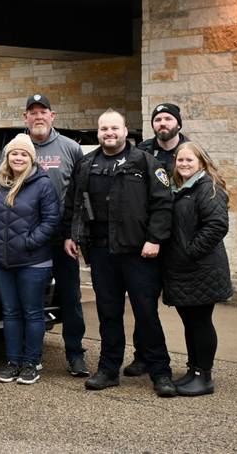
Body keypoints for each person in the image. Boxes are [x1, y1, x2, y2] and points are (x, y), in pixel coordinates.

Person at [63, 109, 177, 397]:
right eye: (104, 129)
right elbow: (74, 203)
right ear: (98, 133)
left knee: (146, 314)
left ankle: (160, 372)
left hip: (139, 253)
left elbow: (163, 204)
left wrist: (154, 239)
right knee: (108, 314)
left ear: (126, 131)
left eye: (114, 128)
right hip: (102, 253)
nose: (109, 133)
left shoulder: (145, 162)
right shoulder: (87, 164)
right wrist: (71, 235)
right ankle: (108, 370)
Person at [0, 134, 60, 385]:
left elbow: (51, 221)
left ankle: (31, 363)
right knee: (10, 313)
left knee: (32, 312)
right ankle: (13, 361)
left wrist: (28, 242)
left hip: (33, 261)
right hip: (3, 262)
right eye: (14, 153)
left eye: (23, 154)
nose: (18, 157)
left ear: (31, 158)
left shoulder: (42, 184)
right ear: (7, 157)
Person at [22, 94, 89, 377]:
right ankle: (30, 355)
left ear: (53, 116)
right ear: (25, 117)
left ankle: (75, 354)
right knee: (31, 299)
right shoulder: (17, 148)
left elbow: (81, 195)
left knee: (70, 297)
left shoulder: (71, 148)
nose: (38, 116)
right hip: (30, 237)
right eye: (32, 112)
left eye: (43, 111)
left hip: (63, 237)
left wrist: (74, 234)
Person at [163, 142, 232, 396]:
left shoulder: (208, 188)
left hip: (201, 269)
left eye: (189, 160)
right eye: (180, 160)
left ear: (201, 162)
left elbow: (216, 226)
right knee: (190, 322)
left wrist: (190, 252)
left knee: (200, 322)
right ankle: (193, 370)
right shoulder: (181, 188)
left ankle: (204, 376)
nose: (183, 164)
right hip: (183, 271)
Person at [126, 102, 189, 377]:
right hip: (149, 241)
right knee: (144, 303)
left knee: (188, 308)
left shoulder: (189, 152)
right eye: (158, 119)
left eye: (167, 119)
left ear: (178, 123)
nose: (162, 124)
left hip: (179, 241)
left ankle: (196, 366)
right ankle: (143, 356)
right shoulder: (142, 152)